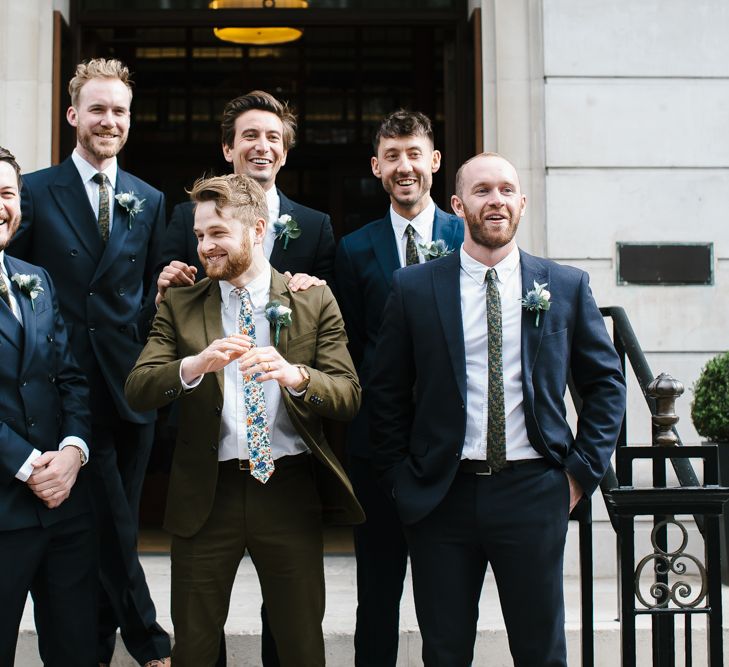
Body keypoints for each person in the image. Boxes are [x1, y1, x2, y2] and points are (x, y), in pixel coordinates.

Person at [369, 152, 626, 666]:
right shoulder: (415, 288)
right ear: (458, 203)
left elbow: (605, 387)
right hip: (441, 494)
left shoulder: (565, 286)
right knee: (444, 652)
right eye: (483, 191)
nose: (497, 201)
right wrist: (402, 477)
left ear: (522, 204)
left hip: (534, 490)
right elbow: (386, 392)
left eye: (507, 190)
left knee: (541, 651)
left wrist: (578, 474)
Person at [125, 173, 364, 667]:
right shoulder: (182, 302)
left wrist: (296, 375)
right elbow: (139, 388)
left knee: (301, 646)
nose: (205, 246)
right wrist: (195, 366)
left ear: (257, 229)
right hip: (204, 494)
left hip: (287, 490)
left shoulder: (312, 298)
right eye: (199, 235)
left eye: (217, 233)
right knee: (193, 647)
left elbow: (348, 395)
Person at [9, 59, 171, 666]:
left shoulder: (148, 199)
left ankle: (96, 650)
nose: (109, 121)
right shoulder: (35, 190)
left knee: (108, 525)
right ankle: (150, 642)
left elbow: (151, 306)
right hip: (62, 392)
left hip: (129, 390)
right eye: (97, 109)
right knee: (110, 522)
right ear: (73, 114)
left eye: (119, 111)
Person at [334, 109, 463, 665]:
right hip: (378, 446)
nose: (404, 166)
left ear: (434, 161)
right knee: (378, 594)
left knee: (447, 598)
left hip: (452, 443)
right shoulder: (354, 248)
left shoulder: (466, 235)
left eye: (414, 154)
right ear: (376, 167)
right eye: (392, 156)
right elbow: (352, 346)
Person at [0, 146, 96, 665]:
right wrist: (27, 464)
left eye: (7, 193)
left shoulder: (35, 280)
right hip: (2, 506)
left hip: (64, 508)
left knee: (76, 651)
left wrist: (74, 451)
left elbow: (71, 377)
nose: (0, 205)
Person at [158, 89, 335, 296]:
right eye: (250, 136)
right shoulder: (187, 218)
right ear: (227, 149)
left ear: (284, 154)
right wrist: (163, 293)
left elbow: (331, 306)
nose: (262, 147)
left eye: (273, 138)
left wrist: (315, 289)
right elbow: (156, 304)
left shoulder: (315, 226)